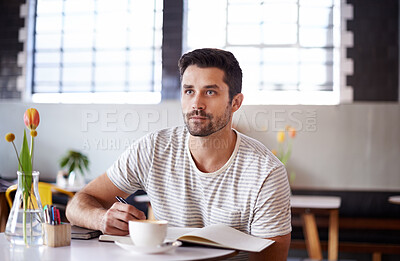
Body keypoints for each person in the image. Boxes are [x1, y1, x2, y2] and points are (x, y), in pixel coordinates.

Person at [66, 48, 291, 260]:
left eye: (210, 92)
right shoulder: (152, 149)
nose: (196, 103)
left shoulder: (266, 172)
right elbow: (77, 204)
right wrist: (102, 218)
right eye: (189, 91)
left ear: (235, 102)